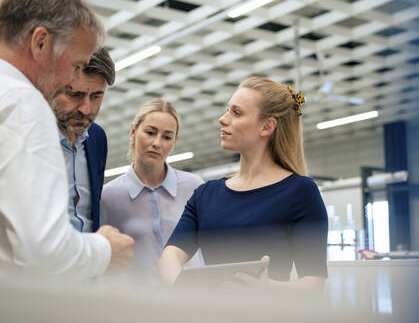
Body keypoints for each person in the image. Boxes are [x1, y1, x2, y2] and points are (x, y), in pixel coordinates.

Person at [0, 0, 133, 278]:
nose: (68, 82)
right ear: (40, 43)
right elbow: (41, 250)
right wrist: (105, 249)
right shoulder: (22, 101)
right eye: (74, 66)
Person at [158, 77, 328, 294]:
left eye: (236, 113)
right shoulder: (205, 194)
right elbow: (169, 258)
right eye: (226, 110)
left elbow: (314, 284)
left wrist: (269, 289)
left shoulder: (301, 192)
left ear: (267, 126)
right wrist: (190, 293)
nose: (222, 119)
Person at [101, 99, 204, 282]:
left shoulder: (194, 187)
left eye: (167, 137)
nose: (157, 143)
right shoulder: (109, 196)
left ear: (175, 141)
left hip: (189, 299)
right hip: (138, 304)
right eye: (150, 132)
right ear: (133, 131)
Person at [50, 47, 114, 233]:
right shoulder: (27, 135)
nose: (86, 109)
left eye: (96, 96)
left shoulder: (97, 138)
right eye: (75, 95)